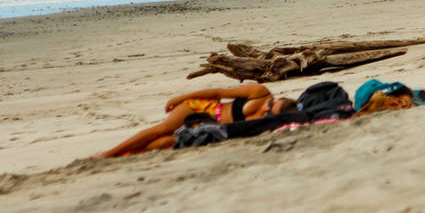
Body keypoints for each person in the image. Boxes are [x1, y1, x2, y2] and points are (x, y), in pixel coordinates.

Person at [93, 83, 294, 158]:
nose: (267, 107)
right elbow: (218, 92)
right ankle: (109, 153)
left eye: (270, 111)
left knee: (171, 141)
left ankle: (131, 154)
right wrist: (182, 98)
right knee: (161, 129)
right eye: (272, 103)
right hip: (202, 109)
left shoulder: (266, 122)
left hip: (210, 126)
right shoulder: (260, 92)